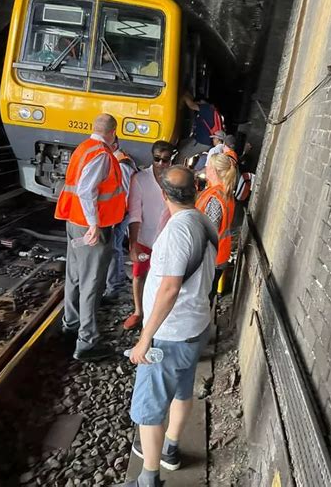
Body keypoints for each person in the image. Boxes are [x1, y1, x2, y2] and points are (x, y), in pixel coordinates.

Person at [124, 166, 218, 487]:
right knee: (182, 390)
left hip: (170, 334)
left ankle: (148, 480)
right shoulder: (205, 220)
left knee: (149, 409)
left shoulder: (179, 231)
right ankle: (171, 448)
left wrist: (145, 339)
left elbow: (169, 288)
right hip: (195, 325)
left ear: (164, 195)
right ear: (195, 190)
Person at [55, 113, 125, 361]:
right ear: (113, 132)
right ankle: (87, 342)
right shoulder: (102, 155)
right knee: (91, 284)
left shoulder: (83, 147)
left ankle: (70, 325)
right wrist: (95, 225)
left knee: (74, 277)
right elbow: (86, 190)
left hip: (74, 223)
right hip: (92, 228)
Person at [123, 140, 174, 330]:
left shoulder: (174, 178)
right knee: (139, 274)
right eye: (157, 159)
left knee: (165, 276)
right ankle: (138, 311)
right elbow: (134, 213)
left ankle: (160, 312)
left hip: (167, 238)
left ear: (171, 160)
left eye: (165, 160)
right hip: (145, 237)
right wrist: (133, 242)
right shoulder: (140, 180)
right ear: (152, 158)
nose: (161, 164)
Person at [196, 152, 236, 303]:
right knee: (207, 299)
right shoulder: (223, 192)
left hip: (210, 259)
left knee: (201, 300)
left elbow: (209, 231)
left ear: (213, 170)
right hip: (219, 255)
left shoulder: (215, 198)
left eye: (208, 165)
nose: (205, 168)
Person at [102, 137, 138, 303]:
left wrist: (116, 218)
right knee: (114, 247)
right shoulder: (119, 160)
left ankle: (113, 286)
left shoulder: (122, 164)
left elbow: (123, 194)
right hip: (119, 213)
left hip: (120, 214)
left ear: (114, 145)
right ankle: (118, 278)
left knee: (114, 248)